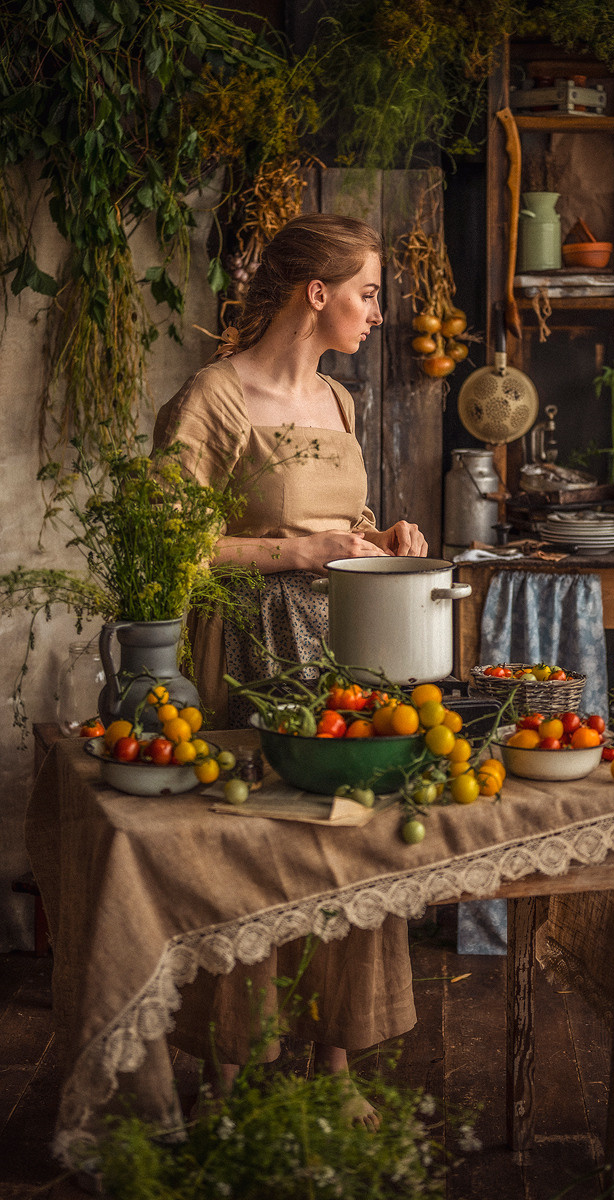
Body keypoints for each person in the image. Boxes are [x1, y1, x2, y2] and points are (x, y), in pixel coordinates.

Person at [152, 212, 428, 1126]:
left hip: (339, 653)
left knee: (344, 841)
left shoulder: (341, 405)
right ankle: (225, 1078)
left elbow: (340, 525)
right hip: (246, 653)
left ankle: (336, 1062)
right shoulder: (213, 401)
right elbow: (167, 551)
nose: (379, 312)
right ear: (319, 295)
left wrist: (382, 539)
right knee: (248, 853)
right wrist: (293, 556)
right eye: (368, 293)